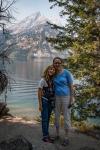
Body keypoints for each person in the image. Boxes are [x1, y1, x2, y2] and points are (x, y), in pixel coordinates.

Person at [52, 57, 74, 146]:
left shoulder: (66, 73)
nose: (57, 64)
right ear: (53, 63)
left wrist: (71, 99)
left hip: (66, 97)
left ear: (61, 63)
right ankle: (57, 134)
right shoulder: (53, 73)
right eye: (55, 63)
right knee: (56, 116)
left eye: (59, 63)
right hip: (57, 97)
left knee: (67, 117)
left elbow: (71, 87)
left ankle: (66, 137)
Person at [38, 65, 56, 142]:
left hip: (50, 102)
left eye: (53, 70)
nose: (52, 71)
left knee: (48, 119)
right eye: (50, 69)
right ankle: (45, 136)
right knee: (45, 119)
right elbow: (39, 92)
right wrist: (40, 105)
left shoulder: (52, 80)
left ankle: (46, 133)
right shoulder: (43, 80)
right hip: (44, 101)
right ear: (47, 70)